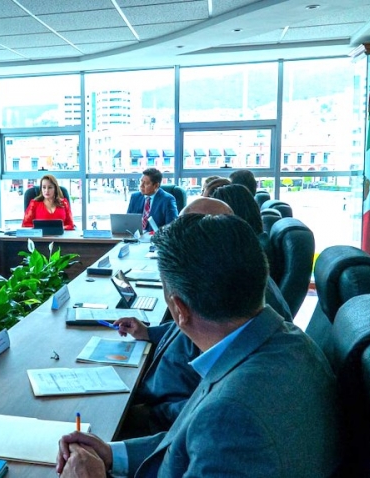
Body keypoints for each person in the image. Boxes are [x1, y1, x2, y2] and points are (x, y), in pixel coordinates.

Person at [58, 214, 339, 478]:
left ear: (179, 310)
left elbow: (215, 433)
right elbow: (187, 443)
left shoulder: (230, 416)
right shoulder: (288, 341)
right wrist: (112, 454)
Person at [126, 168, 177, 232]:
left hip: (156, 237)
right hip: (136, 236)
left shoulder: (167, 200)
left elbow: (172, 227)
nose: (141, 186)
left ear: (156, 185)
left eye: (146, 183)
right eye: (141, 181)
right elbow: (128, 221)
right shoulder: (135, 197)